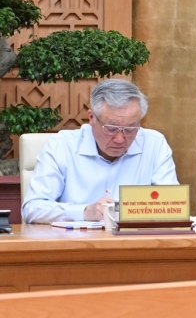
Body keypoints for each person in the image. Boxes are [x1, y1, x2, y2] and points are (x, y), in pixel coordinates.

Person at [22, 79, 177, 224]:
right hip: (77, 242)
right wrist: (84, 212)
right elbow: (32, 208)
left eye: (130, 129)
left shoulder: (154, 144)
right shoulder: (61, 146)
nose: (120, 139)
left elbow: (173, 205)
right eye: (111, 129)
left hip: (133, 242)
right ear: (91, 117)